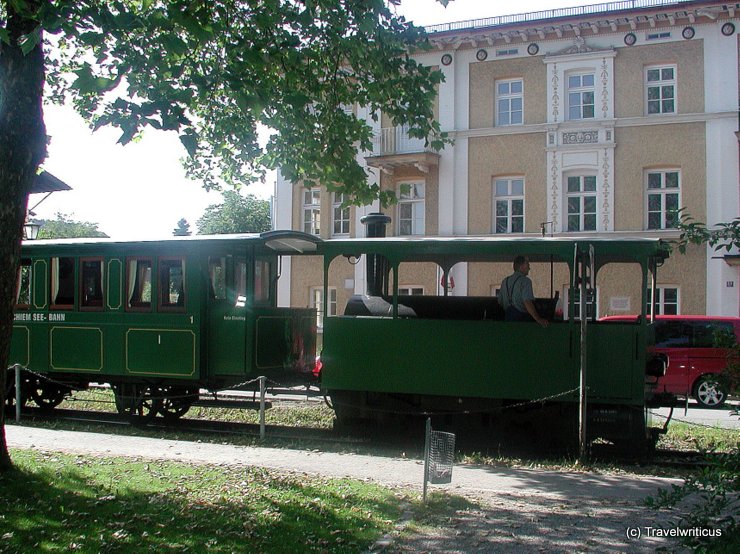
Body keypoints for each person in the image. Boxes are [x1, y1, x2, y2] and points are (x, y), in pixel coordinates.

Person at [498, 256, 549, 327]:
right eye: (528, 265)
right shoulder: (525, 281)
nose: (529, 268)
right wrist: (538, 319)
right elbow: (527, 302)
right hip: (521, 320)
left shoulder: (505, 281)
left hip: (507, 318)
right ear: (521, 266)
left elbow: (500, 301)